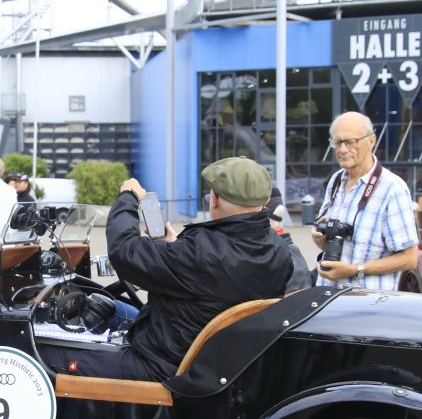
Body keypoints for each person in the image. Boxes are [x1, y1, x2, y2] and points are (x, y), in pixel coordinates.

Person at [40, 157, 295, 382]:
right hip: (216, 362)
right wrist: (174, 248)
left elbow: (124, 251)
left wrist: (127, 197)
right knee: (113, 308)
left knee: (45, 354)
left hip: (162, 365)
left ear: (215, 199)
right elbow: (214, 275)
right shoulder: (279, 251)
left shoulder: (199, 253)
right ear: (265, 202)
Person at [312, 111, 419, 289]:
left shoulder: (392, 189)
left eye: (350, 142)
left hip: (368, 301)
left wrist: (356, 270)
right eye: (337, 142)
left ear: (371, 141)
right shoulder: (336, 181)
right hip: (328, 295)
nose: (342, 150)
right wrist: (319, 239)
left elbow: (410, 258)